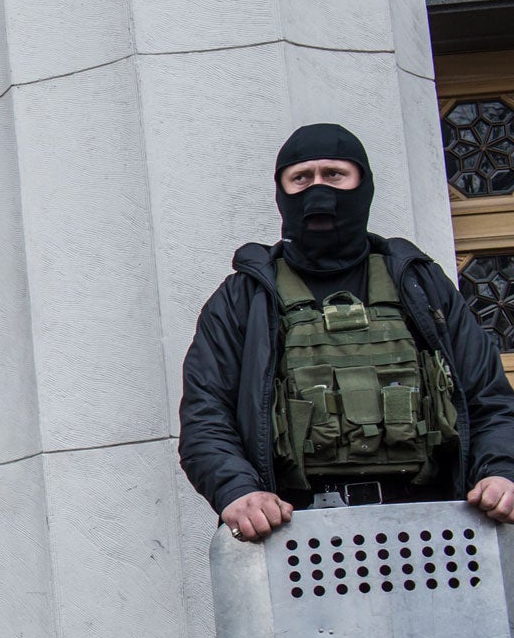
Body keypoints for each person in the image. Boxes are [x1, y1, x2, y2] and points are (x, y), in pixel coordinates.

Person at [181, 122, 514, 543]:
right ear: (282, 192)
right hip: (296, 536)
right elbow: (205, 415)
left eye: (334, 175)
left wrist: (501, 471)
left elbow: (488, 398)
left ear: (363, 184)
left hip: (431, 528)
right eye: (301, 178)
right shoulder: (244, 297)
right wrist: (238, 491)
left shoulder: (420, 285)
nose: (317, 190)